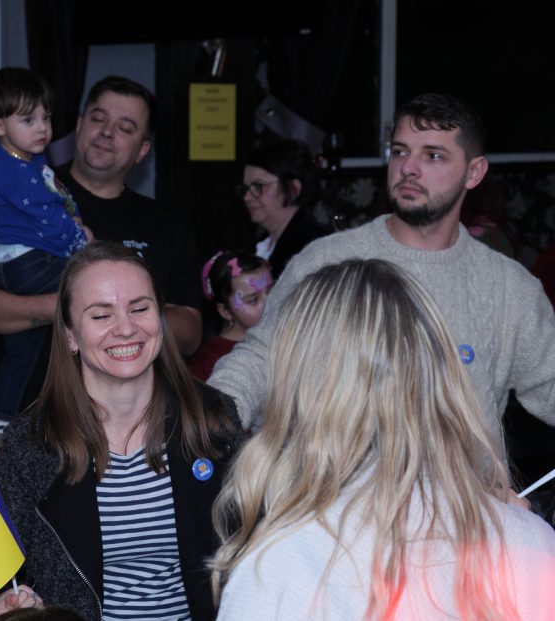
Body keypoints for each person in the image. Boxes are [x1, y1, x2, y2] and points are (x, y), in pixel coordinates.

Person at [211, 259, 555, 620]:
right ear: (438, 376)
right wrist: (516, 533)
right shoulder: (532, 543)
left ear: (298, 387)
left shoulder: (276, 570)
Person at [210, 93, 555, 438]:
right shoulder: (326, 261)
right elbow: (263, 358)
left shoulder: (509, 288)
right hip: (341, 472)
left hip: (466, 475)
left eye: (433, 155)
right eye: (400, 151)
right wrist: (214, 415)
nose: (408, 168)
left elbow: (548, 385)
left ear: (474, 172)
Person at [0, 242, 241, 620]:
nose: (125, 328)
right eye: (101, 315)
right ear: (70, 336)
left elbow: (257, 553)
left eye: (140, 308)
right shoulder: (31, 444)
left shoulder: (214, 421)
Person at [0, 76, 203, 424]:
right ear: (78, 126)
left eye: (125, 127)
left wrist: (116, 315)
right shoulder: (25, 189)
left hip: (136, 421)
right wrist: (71, 307)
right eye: (98, 118)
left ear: (142, 151)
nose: (106, 132)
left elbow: (190, 332)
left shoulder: (168, 224)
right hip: (32, 416)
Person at [0, 67, 90, 438]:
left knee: (23, 345)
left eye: (46, 117)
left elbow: (59, 201)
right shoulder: (14, 172)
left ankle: (1, 418)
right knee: (91, 281)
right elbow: (47, 218)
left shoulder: (28, 160)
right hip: (26, 263)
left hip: (19, 262)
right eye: (28, 120)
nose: (42, 128)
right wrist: (80, 239)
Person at [239, 138, 328, 279]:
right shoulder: (260, 244)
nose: (247, 197)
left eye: (258, 186)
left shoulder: (312, 247)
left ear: (294, 189)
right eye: (246, 188)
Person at [188, 251, 272, 381]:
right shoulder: (209, 362)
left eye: (272, 291)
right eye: (253, 300)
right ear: (225, 312)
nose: (270, 303)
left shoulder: (283, 335)